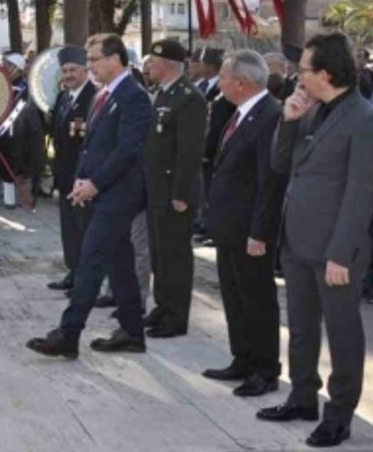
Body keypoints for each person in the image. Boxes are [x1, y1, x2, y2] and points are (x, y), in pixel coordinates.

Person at [257, 33, 373, 448]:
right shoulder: (310, 111)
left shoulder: (363, 118)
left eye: (303, 69)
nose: (296, 76)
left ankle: (339, 415)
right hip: (297, 241)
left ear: (324, 73)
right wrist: (287, 122)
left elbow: (361, 194)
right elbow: (281, 165)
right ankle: (302, 396)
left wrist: (342, 254)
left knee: (342, 334)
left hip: (336, 250)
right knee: (302, 328)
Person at [27, 33, 151, 359]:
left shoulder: (133, 96)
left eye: (95, 59)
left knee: (90, 261)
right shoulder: (104, 95)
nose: (91, 65)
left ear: (115, 59)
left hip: (118, 195)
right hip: (100, 191)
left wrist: (94, 183)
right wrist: (83, 181)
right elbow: (92, 147)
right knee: (119, 262)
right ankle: (132, 331)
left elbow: (128, 150)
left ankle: (68, 334)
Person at [201, 50, 285, 398]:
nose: (219, 83)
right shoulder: (240, 113)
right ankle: (243, 358)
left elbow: (271, 181)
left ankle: (265, 369)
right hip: (228, 225)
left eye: (223, 77)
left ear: (241, 82)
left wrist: (260, 233)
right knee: (234, 296)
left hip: (249, 230)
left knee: (257, 299)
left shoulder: (269, 116)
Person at [141, 40, 207, 339]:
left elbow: (189, 152)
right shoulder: (164, 94)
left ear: (166, 64)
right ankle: (163, 305)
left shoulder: (189, 98)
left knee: (175, 256)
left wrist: (181, 193)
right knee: (159, 253)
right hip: (157, 188)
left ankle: (176, 316)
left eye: (153, 62)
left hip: (173, 191)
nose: (148, 67)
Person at [47, 46, 96, 292]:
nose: (68, 75)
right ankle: (73, 270)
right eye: (65, 70)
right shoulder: (63, 97)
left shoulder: (94, 97)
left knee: (84, 229)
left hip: (84, 177)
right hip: (64, 174)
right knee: (69, 228)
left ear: (85, 69)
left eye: (73, 70)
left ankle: (86, 279)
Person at [0, 53, 43, 209]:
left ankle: (9, 198)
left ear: (17, 69)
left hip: (13, 135)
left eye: (8, 65)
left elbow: (16, 113)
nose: (4, 68)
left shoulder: (24, 90)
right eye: (4, 64)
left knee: (9, 165)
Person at [192, 48, 233, 244]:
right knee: (206, 191)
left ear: (209, 66)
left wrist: (209, 150)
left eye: (200, 62)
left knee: (213, 191)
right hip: (206, 146)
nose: (196, 65)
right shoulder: (204, 87)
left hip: (216, 148)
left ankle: (212, 228)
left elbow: (220, 123)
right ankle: (206, 224)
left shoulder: (222, 92)